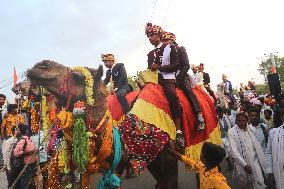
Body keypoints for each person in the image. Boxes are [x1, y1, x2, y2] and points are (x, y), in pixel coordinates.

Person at [145, 23, 183, 145]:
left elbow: (176, 65)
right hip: (154, 81)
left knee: (172, 95)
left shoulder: (170, 47)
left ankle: (178, 130)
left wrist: (160, 67)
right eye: (148, 36)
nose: (150, 38)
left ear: (159, 35)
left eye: (152, 35)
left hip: (167, 79)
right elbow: (149, 69)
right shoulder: (150, 54)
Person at [162, 31, 205, 131]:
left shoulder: (180, 49)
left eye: (166, 40)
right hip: (168, 77)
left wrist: (178, 77)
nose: (164, 42)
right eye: (163, 41)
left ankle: (199, 115)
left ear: (172, 40)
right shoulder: (165, 52)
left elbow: (186, 66)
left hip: (181, 75)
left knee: (187, 89)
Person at [228, 113, 267, 189]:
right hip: (242, 163)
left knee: (260, 182)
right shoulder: (231, 132)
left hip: (255, 161)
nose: (241, 123)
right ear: (235, 121)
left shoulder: (251, 129)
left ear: (247, 121)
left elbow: (257, 146)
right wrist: (244, 165)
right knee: (246, 184)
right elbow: (234, 151)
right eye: (239, 121)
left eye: (243, 121)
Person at [13, 124, 38, 189]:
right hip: (28, 165)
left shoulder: (24, 140)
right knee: (27, 184)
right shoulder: (26, 140)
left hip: (29, 165)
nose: (16, 131)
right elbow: (16, 153)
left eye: (17, 130)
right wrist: (28, 152)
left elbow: (16, 153)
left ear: (20, 131)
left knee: (27, 184)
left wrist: (32, 151)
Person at [266, 108, 284, 189]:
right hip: (279, 171)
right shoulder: (273, 132)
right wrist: (270, 171)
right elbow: (269, 153)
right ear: (282, 117)